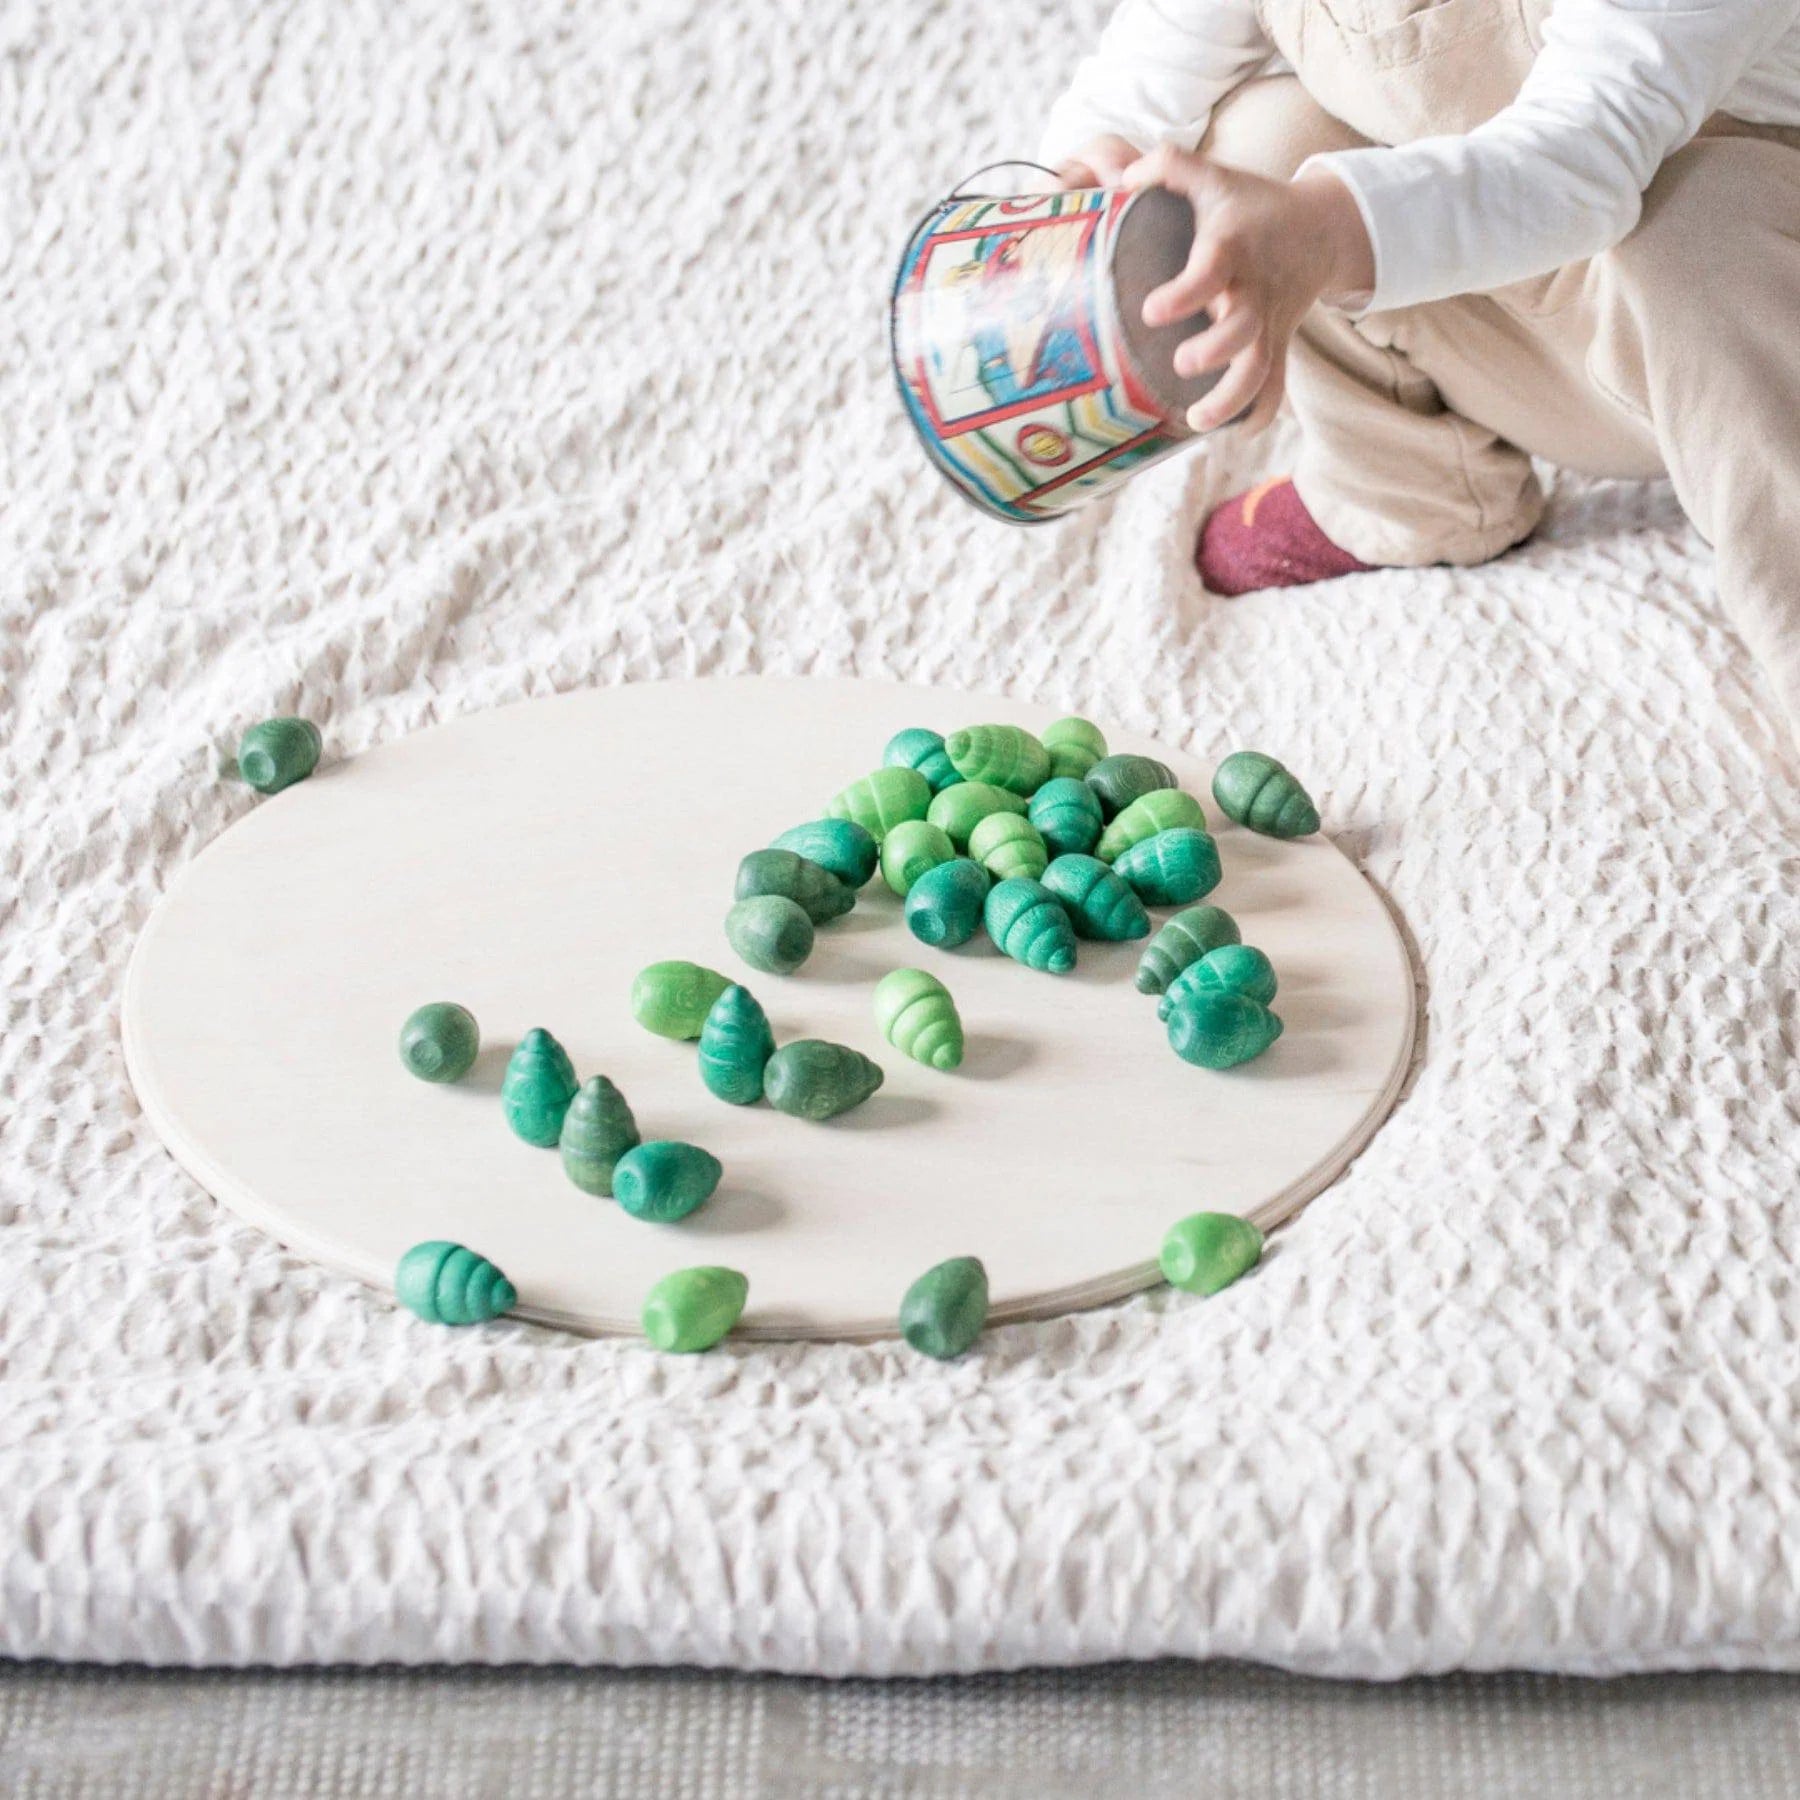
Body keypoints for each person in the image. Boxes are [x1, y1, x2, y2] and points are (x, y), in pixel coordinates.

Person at [1041, 0, 1800, 733]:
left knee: (1702, 232)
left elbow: (1578, 160)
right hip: (1525, 338)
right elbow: (1156, 59)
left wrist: (1314, 235)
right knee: (1252, 151)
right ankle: (1411, 491)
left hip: (1742, 354)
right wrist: (1093, 165)